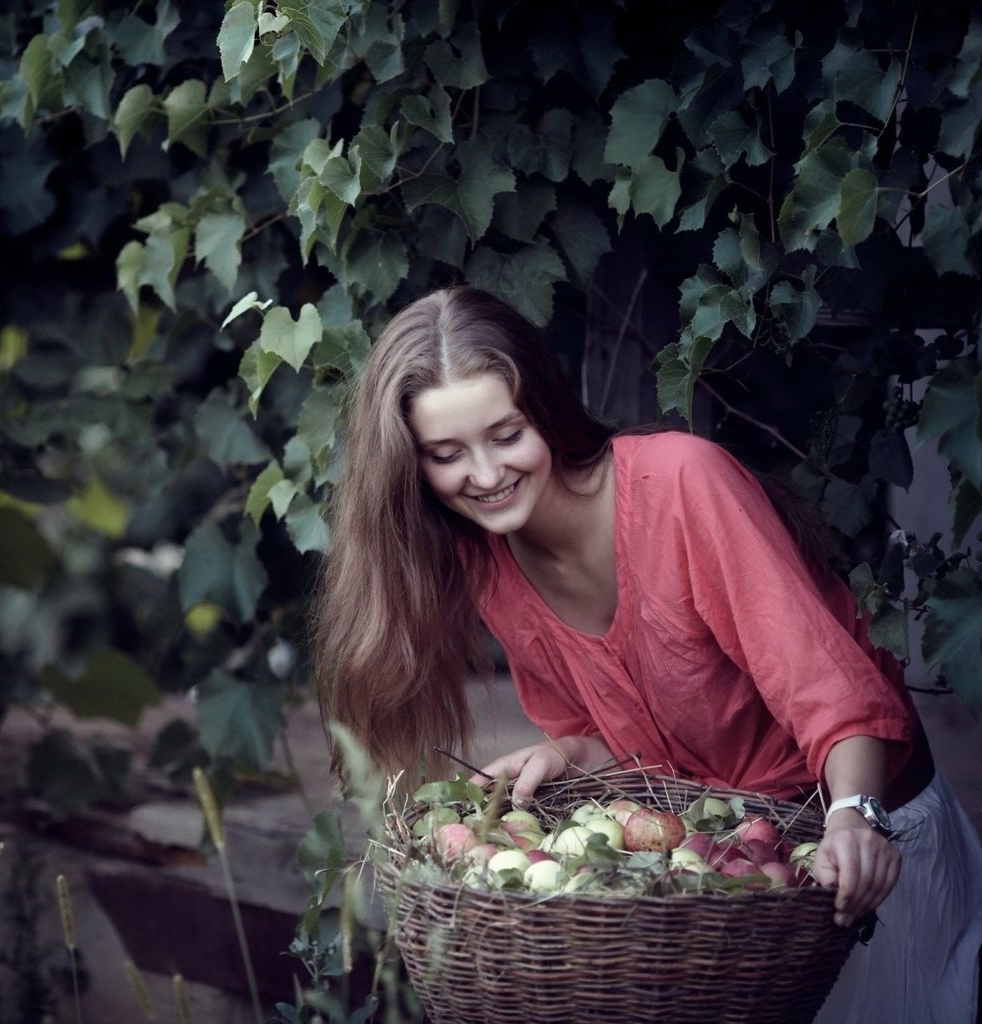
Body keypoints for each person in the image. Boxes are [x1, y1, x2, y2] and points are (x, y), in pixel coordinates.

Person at [314, 286, 982, 1024]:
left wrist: (856, 817)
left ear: (544, 408)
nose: (485, 474)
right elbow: (633, 741)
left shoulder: (681, 484)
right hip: (727, 885)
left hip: (858, 854)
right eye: (446, 454)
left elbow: (833, 690)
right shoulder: (485, 563)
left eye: (506, 435)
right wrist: (566, 754)